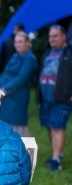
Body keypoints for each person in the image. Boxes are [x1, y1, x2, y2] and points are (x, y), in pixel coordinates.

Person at [37, 24, 72, 171]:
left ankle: (56, 161)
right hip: (46, 97)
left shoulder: (69, 52)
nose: (52, 39)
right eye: (50, 36)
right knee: (50, 126)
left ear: (63, 36)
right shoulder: (48, 52)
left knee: (58, 127)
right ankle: (56, 153)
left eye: (55, 36)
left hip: (62, 97)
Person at [0, 32, 38, 137]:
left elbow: (22, 78)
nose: (17, 45)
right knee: (4, 122)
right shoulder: (15, 56)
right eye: (15, 42)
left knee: (16, 123)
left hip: (18, 95)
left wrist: (4, 90)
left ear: (27, 43)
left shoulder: (30, 58)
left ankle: (19, 150)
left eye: (20, 42)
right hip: (6, 96)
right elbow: (4, 73)